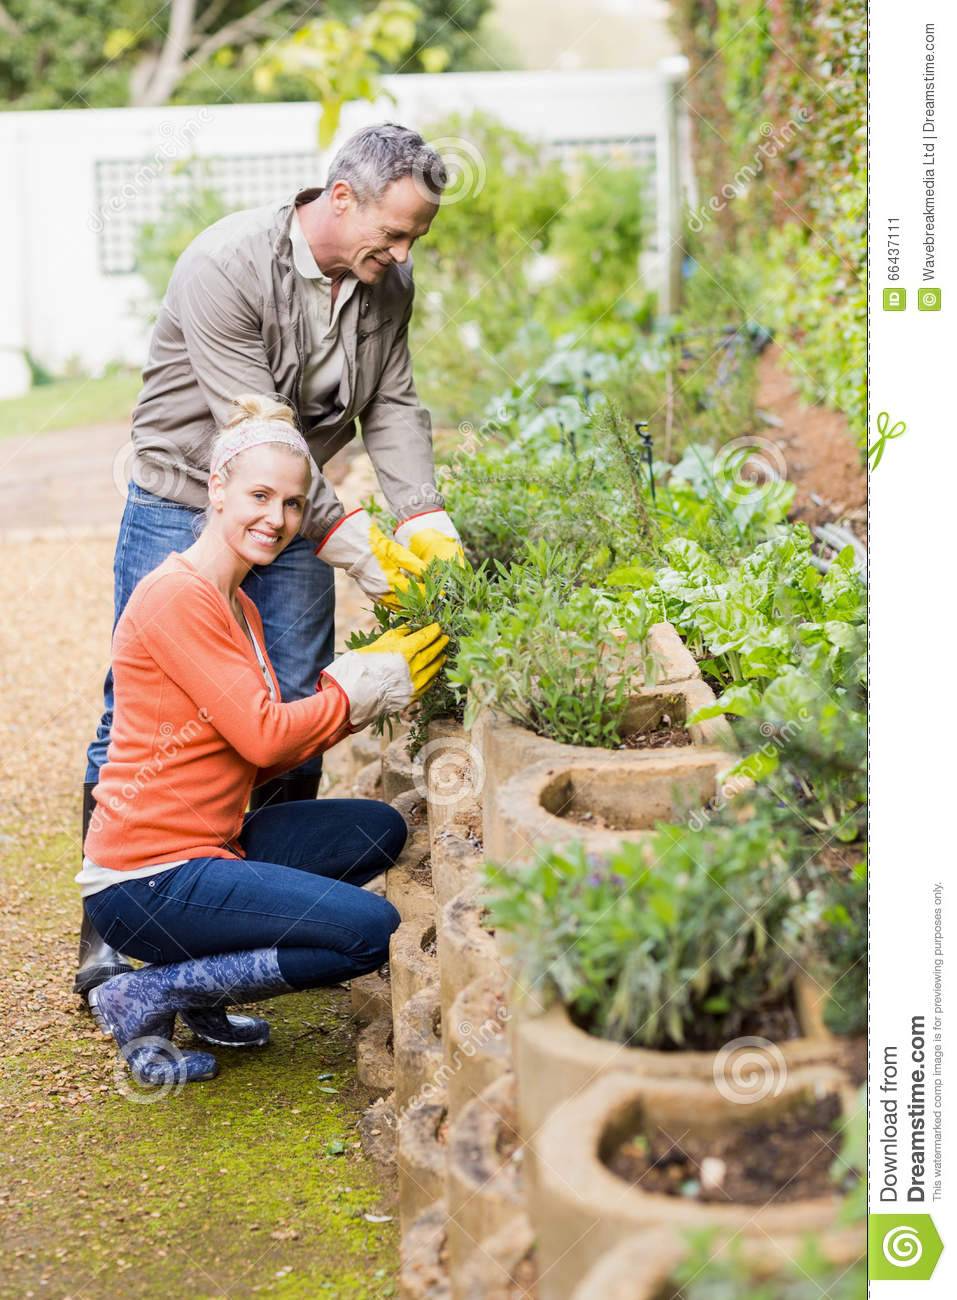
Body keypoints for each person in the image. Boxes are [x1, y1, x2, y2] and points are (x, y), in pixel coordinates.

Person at [77, 121, 464, 997]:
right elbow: (260, 432)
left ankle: (256, 917)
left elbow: (393, 403)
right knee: (133, 711)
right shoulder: (227, 265)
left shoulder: (383, 284)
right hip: (194, 494)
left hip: (287, 508)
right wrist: (362, 546)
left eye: (415, 239)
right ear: (339, 198)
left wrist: (424, 515)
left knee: (290, 697)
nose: (402, 253)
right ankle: (110, 929)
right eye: (394, 233)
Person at [80, 395, 448, 1087]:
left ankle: (201, 985)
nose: (275, 519)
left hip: (210, 845)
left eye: (290, 503)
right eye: (258, 495)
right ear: (216, 489)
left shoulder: (238, 602)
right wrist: (359, 688)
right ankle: (155, 990)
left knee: (374, 830)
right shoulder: (176, 597)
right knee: (370, 930)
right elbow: (260, 735)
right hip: (144, 881)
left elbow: (272, 752)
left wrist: (359, 691)